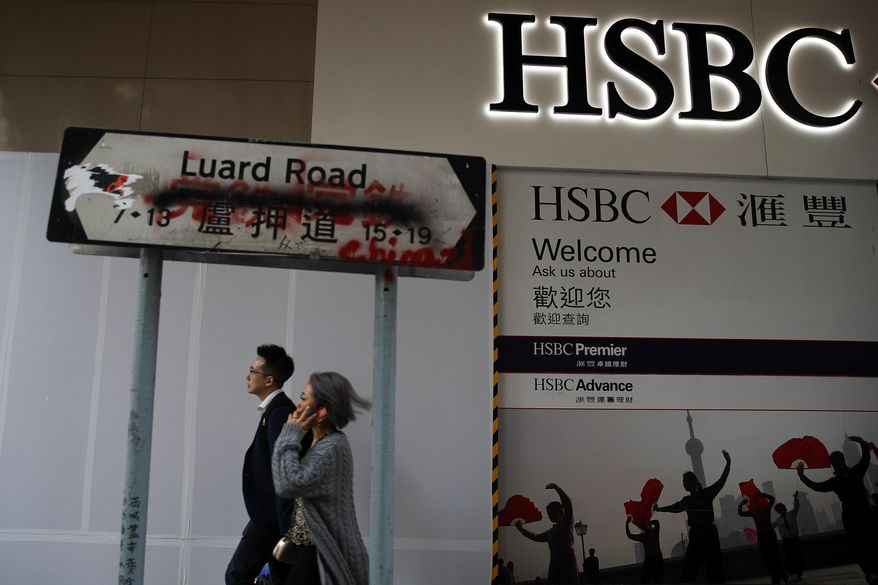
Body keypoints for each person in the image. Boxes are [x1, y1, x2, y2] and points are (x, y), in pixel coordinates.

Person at [272, 371, 371, 585]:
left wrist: (289, 435)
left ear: (322, 410)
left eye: (303, 398)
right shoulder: (318, 443)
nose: (297, 405)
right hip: (310, 552)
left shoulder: (331, 448)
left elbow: (287, 485)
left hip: (322, 554)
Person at [226, 344, 296, 585]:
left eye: (252, 371)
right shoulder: (274, 411)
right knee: (277, 578)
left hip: (271, 519)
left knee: (237, 575)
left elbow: (284, 470)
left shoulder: (279, 413)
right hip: (271, 516)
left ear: (269, 380)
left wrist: (285, 526)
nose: (247, 376)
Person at [797, 436, 878, 585]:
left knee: (871, 543)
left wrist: (860, 442)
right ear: (833, 465)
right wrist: (802, 477)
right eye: (835, 461)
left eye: (839, 460)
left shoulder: (856, 472)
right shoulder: (835, 481)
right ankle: (869, 572)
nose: (837, 463)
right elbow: (817, 486)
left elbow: (865, 457)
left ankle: (873, 570)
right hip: (851, 517)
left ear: (844, 460)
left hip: (864, 514)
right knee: (858, 547)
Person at [654, 450, 731, 583]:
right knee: (689, 569)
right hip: (696, 535)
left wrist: (728, 464)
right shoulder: (686, 501)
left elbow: (721, 481)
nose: (683, 484)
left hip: (708, 533)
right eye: (683, 481)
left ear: (693, 482)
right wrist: (660, 509)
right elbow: (675, 507)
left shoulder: (707, 494)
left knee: (714, 568)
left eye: (685, 481)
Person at [513, 483, 579, 584]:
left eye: (550, 514)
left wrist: (557, 489)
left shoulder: (566, 522)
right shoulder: (551, 532)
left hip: (567, 561)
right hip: (554, 562)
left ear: (558, 511)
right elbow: (536, 537)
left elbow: (567, 504)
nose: (549, 517)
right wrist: (521, 529)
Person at [738, 489, 785, 584]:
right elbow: (741, 513)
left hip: (768, 534)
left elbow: (772, 499)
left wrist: (762, 494)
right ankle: (779, 575)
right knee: (767, 558)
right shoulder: (754, 512)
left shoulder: (765, 509)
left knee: (774, 556)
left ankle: (778, 576)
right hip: (763, 536)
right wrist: (741, 504)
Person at [772, 492, 803, 582]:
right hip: (786, 541)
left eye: (782, 508)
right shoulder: (778, 520)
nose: (781, 510)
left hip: (794, 538)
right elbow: (771, 526)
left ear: (784, 508)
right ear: (778, 511)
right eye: (779, 510)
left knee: (797, 556)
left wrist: (795, 498)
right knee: (788, 557)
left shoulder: (792, 514)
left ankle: (798, 573)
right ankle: (791, 573)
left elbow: (797, 507)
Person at [626, 518, 663, 583]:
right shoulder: (655, 532)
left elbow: (630, 535)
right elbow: (657, 522)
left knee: (645, 579)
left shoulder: (643, 536)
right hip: (658, 557)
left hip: (649, 559)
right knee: (657, 579)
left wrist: (627, 524)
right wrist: (648, 522)